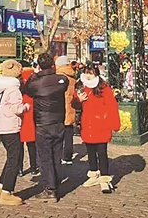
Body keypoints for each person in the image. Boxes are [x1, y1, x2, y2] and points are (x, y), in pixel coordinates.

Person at [23, 51, 70, 202]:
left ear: (39, 66)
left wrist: (35, 74)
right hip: (58, 121)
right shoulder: (61, 80)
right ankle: (55, 183)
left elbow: (27, 89)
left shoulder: (37, 83)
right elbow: (64, 82)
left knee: (45, 156)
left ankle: (50, 188)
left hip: (43, 123)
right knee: (56, 155)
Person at [73, 64, 120, 193]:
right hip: (87, 125)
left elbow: (112, 106)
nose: (88, 76)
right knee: (91, 152)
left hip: (101, 125)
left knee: (102, 152)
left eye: (91, 73)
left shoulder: (104, 88)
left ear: (96, 74)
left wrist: (114, 123)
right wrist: (78, 100)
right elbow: (74, 105)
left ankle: (105, 179)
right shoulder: (81, 86)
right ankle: (94, 174)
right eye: (87, 73)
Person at [0, 59, 30, 206]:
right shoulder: (13, 89)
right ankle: (7, 192)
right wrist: (26, 107)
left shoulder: (0, 87)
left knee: (11, 157)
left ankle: (1, 187)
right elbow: (17, 109)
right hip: (11, 127)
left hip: (2, 125)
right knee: (15, 159)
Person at [55, 55, 77, 165]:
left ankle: (59, 155)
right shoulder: (72, 76)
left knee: (59, 135)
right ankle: (68, 156)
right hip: (70, 108)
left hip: (60, 108)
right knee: (69, 134)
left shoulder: (59, 76)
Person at [20, 62, 39, 177]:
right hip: (32, 114)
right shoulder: (35, 78)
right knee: (32, 144)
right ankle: (33, 166)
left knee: (19, 144)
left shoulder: (18, 79)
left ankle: (19, 168)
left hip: (21, 114)